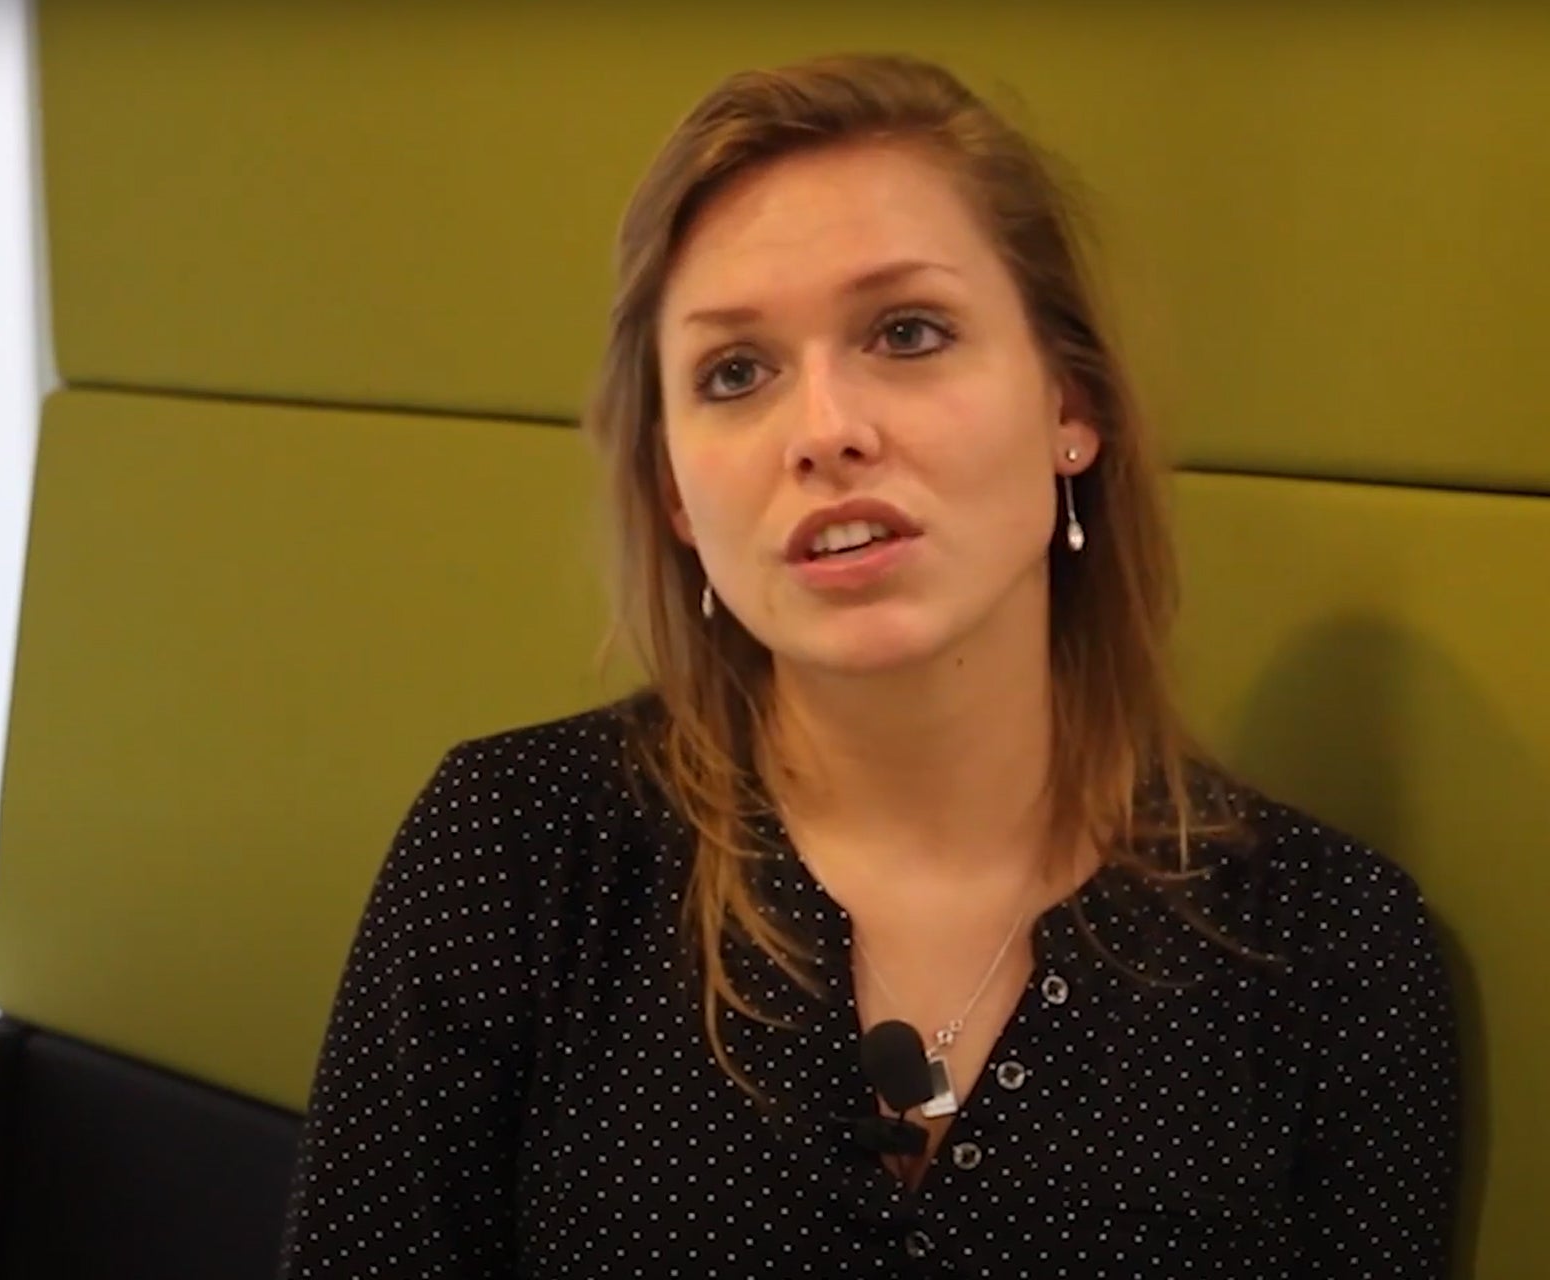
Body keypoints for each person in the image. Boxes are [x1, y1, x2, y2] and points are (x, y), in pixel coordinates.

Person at [276, 52, 1461, 1278]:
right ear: (675, 489)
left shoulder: (1329, 947)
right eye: (736, 372)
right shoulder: (514, 853)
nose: (826, 429)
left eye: (907, 332)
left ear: (1070, 405)